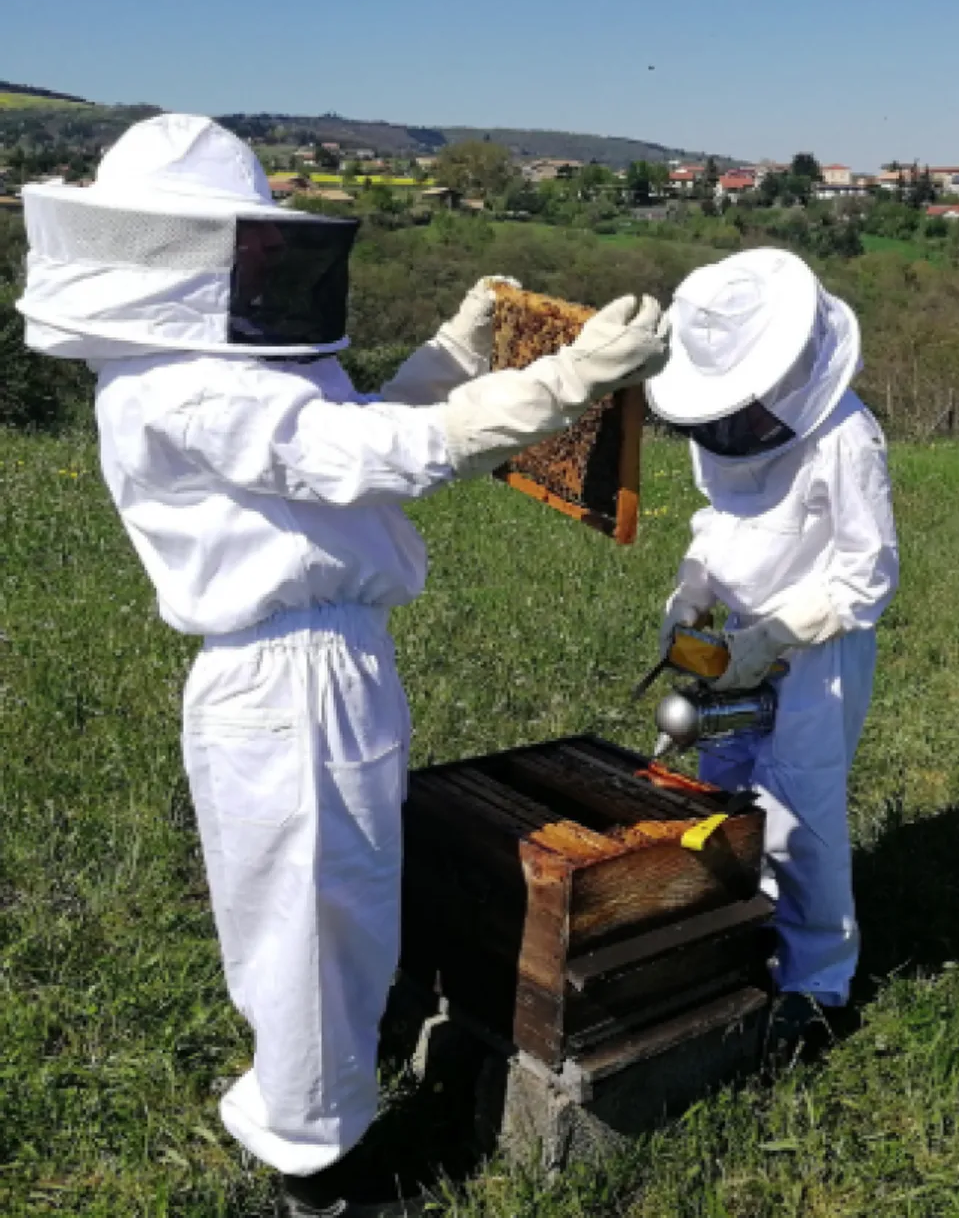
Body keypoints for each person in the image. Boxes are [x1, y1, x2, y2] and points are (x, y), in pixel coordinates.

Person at [17, 114, 669, 1217]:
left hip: (313, 673)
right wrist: (565, 381)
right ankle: (321, 1179)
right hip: (287, 682)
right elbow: (384, 453)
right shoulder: (183, 389)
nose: (263, 266)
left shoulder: (220, 376)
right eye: (244, 246)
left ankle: (310, 1120)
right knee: (315, 920)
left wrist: (458, 352)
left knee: (331, 906)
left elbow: (351, 434)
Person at [647, 248, 898, 1053]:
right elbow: (721, 517)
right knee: (722, 787)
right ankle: (745, 927)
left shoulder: (847, 438)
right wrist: (691, 589)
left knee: (801, 810)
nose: (735, 428)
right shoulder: (725, 434)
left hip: (817, 656)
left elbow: (868, 578)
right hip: (733, 644)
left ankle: (818, 980)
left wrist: (779, 636)